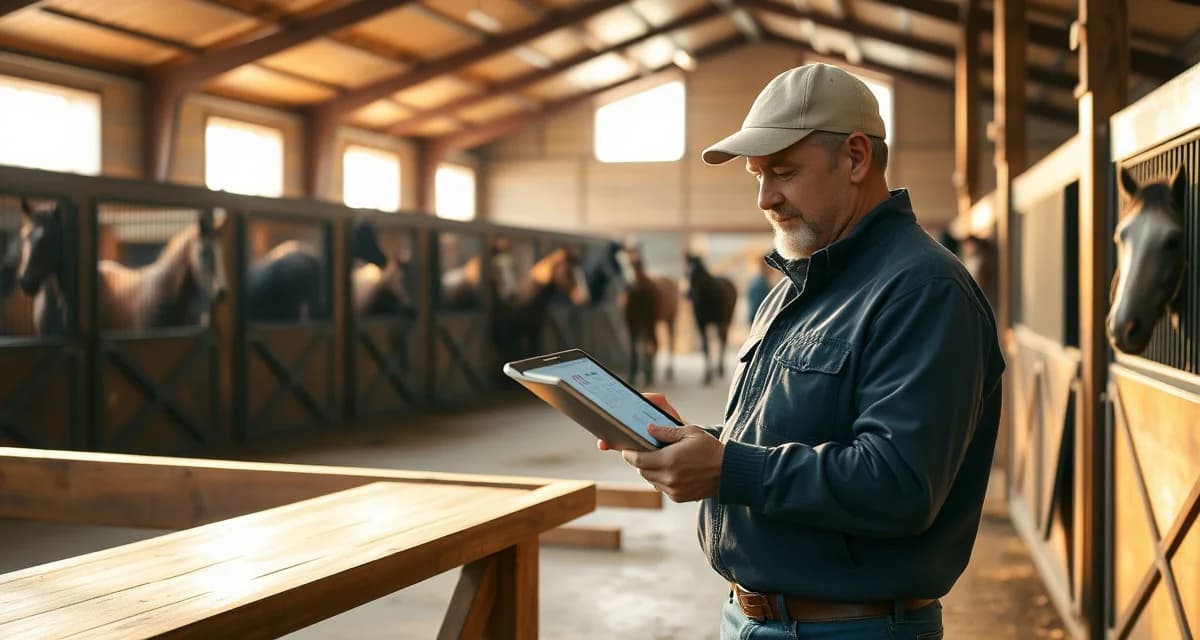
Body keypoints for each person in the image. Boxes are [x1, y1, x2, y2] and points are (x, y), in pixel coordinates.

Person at [598, 62, 1005, 639]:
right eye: (756, 176)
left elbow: (899, 485)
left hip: (850, 630)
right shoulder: (799, 282)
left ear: (858, 158)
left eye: (783, 172)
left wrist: (727, 469)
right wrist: (698, 443)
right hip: (753, 618)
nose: (766, 197)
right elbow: (797, 433)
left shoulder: (923, 290)